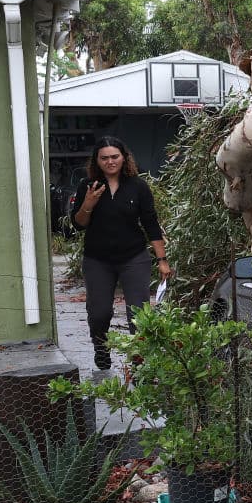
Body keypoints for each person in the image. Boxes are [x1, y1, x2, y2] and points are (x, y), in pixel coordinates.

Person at [71, 137, 172, 369]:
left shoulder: (138, 186)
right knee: (99, 313)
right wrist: (88, 203)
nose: (110, 161)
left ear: (124, 157)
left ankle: (139, 361)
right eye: (104, 158)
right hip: (98, 259)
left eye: (114, 156)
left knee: (138, 312)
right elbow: (78, 224)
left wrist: (162, 260)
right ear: (97, 161)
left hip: (133, 257)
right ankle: (101, 347)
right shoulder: (89, 185)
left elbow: (151, 224)